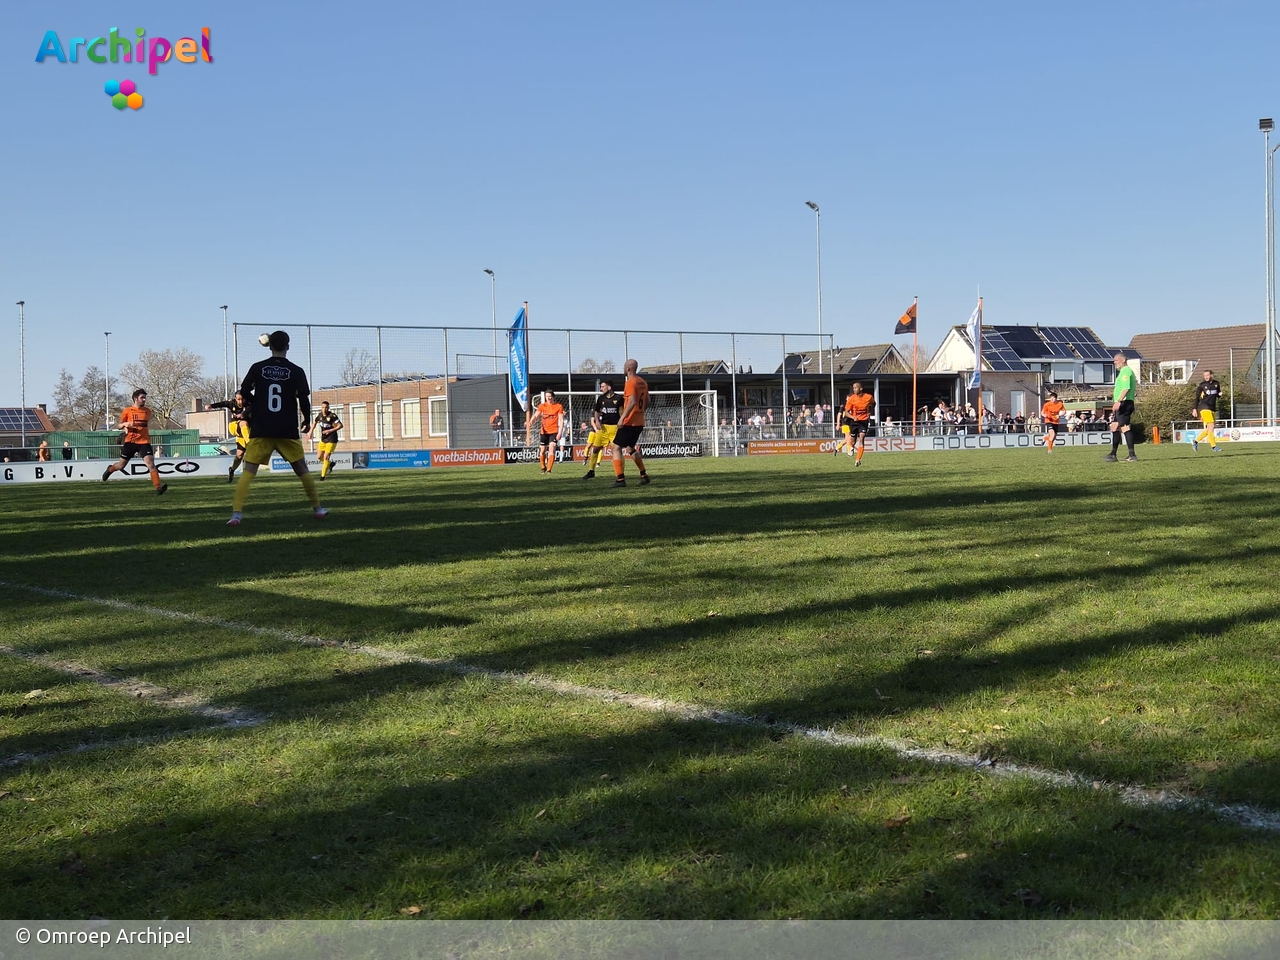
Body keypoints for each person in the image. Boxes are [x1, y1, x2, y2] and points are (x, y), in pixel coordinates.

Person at [227, 330, 328, 526]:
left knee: (249, 470)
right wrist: (307, 420)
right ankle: (318, 509)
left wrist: (257, 402)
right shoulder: (296, 371)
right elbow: (303, 399)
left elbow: (244, 390)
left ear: (270, 346)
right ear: (288, 346)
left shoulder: (258, 367)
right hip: (286, 427)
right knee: (302, 469)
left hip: (262, 427)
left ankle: (236, 514)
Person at [101, 388, 168, 495]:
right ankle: (110, 469)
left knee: (150, 463)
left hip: (144, 442)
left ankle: (158, 488)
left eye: (145, 398)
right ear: (135, 399)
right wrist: (125, 425)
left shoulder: (147, 411)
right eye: (142, 398)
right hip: (130, 442)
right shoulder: (127, 411)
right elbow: (119, 425)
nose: (144, 400)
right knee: (121, 465)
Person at [612, 359, 650, 486]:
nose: (623, 369)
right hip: (639, 422)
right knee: (630, 448)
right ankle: (644, 475)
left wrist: (622, 418)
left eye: (624, 366)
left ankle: (620, 479)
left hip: (629, 422)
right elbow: (648, 401)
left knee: (616, 448)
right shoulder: (643, 382)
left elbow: (632, 401)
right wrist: (640, 411)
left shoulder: (630, 382)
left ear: (628, 368)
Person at [582, 378, 622, 479]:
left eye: (603, 386)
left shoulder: (619, 398)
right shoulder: (601, 399)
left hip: (615, 428)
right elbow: (596, 412)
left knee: (616, 451)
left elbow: (622, 412)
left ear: (609, 387)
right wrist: (597, 420)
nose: (601, 389)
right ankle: (591, 471)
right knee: (595, 449)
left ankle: (620, 474)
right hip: (603, 428)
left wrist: (622, 422)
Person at [208, 391, 251, 482]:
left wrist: (243, 414)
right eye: (238, 399)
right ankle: (250, 445)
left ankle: (232, 470)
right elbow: (222, 403)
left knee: (239, 455)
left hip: (244, 433)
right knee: (243, 422)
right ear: (236, 399)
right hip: (234, 426)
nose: (240, 401)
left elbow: (250, 410)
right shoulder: (232, 403)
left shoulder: (249, 403)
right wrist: (211, 406)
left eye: (242, 399)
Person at [1104, 352, 1138, 462]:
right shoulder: (1123, 372)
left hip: (1125, 403)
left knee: (1125, 427)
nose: (1114, 362)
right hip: (1122, 403)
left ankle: (1132, 455)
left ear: (1123, 360)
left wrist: (1119, 401)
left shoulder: (1126, 371)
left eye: (1116, 360)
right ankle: (1113, 454)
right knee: (1114, 427)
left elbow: (1126, 388)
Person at [526, 390, 565, 474]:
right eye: (547, 396)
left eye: (549, 396)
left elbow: (561, 420)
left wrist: (560, 432)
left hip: (554, 431)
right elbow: (536, 415)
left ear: (553, 396)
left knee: (552, 448)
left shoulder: (558, 406)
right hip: (544, 431)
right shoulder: (542, 406)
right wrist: (531, 422)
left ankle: (549, 470)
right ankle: (543, 467)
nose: (548, 398)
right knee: (542, 451)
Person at [836, 382, 875, 465]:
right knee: (853, 441)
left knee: (862, 438)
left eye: (856, 388)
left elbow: (873, 403)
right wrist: (853, 417)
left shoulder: (868, 397)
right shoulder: (852, 399)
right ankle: (851, 448)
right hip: (854, 422)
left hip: (863, 421)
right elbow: (846, 413)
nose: (854, 389)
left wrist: (870, 412)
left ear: (861, 389)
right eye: (853, 388)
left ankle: (858, 459)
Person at [1191, 369, 1223, 452]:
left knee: (1209, 429)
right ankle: (1214, 447)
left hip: (1212, 408)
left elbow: (1217, 394)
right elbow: (1197, 398)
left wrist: (1220, 395)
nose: (1206, 377)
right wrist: (1194, 409)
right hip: (1204, 408)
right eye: (1204, 375)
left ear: (1211, 375)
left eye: (1207, 375)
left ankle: (1195, 441)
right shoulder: (1202, 385)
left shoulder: (1216, 383)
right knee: (1211, 426)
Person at [310, 400, 344, 479]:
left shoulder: (332, 416)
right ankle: (330, 464)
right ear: (321, 408)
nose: (324, 409)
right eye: (323, 407)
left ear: (328, 408)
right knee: (319, 457)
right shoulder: (320, 416)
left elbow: (340, 425)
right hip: (323, 439)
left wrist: (330, 430)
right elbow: (314, 423)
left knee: (326, 457)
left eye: (326, 407)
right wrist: (310, 432)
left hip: (332, 439)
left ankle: (322, 477)